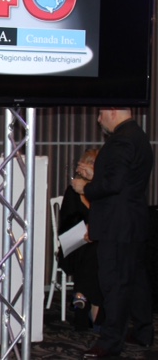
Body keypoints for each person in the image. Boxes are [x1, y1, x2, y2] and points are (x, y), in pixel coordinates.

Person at [71, 108, 154, 359]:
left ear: (113, 112)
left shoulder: (121, 140)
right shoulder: (138, 136)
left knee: (114, 284)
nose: (99, 120)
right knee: (136, 281)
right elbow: (123, 179)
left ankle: (109, 343)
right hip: (132, 221)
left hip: (117, 225)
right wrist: (95, 175)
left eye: (101, 114)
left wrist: (86, 187)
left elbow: (114, 185)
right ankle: (143, 331)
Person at [58, 148, 103, 331]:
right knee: (92, 250)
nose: (89, 167)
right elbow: (67, 222)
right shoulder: (73, 191)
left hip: (96, 247)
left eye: (94, 164)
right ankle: (95, 308)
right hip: (74, 248)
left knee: (96, 250)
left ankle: (81, 295)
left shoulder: (102, 193)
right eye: (88, 162)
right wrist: (86, 231)